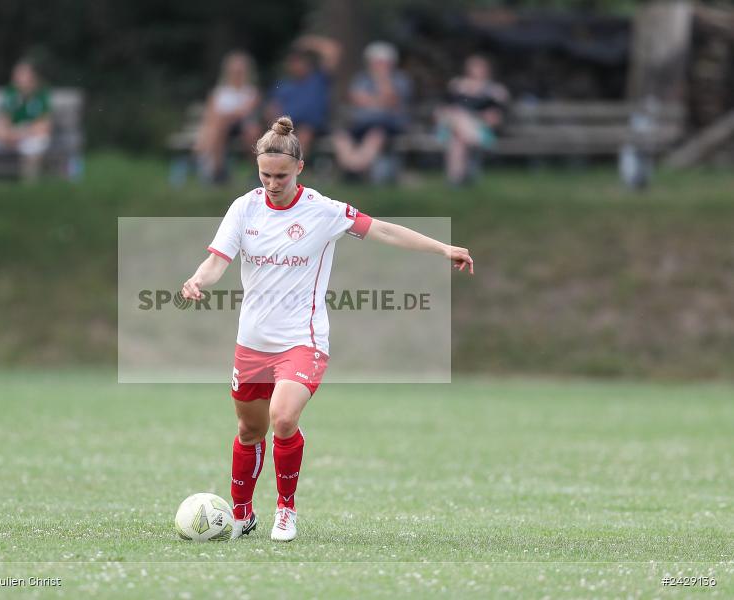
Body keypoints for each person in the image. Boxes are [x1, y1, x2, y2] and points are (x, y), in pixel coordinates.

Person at [180, 116, 474, 542]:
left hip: (303, 340)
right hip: (252, 343)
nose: (272, 183)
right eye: (265, 174)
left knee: (283, 419)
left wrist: (442, 247)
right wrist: (197, 280)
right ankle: (241, 512)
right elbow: (216, 262)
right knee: (250, 430)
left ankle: (285, 510)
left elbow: (384, 230)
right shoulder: (244, 208)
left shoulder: (324, 211)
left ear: (300, 168)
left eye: (281, 175)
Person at [332, 41, 412, 181]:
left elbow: (391, 100)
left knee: (375, 135)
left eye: (381, 62)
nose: (377, 65)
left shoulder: (400, 79)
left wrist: (382, 80)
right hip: (360, 123)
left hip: (388, 124)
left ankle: (355, 171)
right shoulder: (361, 78)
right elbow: (356, 98)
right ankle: (352, 167)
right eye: (375, 62)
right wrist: (379, 101)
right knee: (341, 136)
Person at [436, 55, 510, 185]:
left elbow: (499, 115)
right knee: (458, 130)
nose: (478, 70)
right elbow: (443, 107)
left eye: (480, 67)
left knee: (458, 137)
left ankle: (455, 180)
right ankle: (457, 180)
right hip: (456, 128)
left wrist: (492, 116)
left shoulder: (496, 90)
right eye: (474, 67)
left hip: (481, 131)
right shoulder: (457, 85)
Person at [266, 35, 341, 159]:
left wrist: (310, 43)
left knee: (304, 133)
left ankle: (291, 169)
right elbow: (273, 107)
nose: (296, 65)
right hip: (286, 126)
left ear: (308, 63)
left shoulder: (319, 79)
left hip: (313, 126)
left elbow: (333, 51)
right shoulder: (283, 84)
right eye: (293, 62)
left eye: (300, 61)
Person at [194, 51, 261, 183]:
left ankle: (257, 171)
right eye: (234, 71)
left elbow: (246, 112)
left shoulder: (251, 92)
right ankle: (218, 170)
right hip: (221, 128)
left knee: (250, 131)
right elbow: (210, 115)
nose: (237, 75)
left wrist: (227, 115)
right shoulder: (219, 92)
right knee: (218, 127)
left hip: (242, 126)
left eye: (240, 71)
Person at [0, 60, 52, 180]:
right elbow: (4, 118)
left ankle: (29, 181)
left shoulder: (41, 93)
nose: (19, 79)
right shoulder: (11, 92)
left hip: (30, 134)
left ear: (32, 76)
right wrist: (7, 133)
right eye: (17, 76)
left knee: (36, 144)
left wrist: (21, 133)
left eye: (23, 75)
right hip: (12, 135)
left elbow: (44, 125)